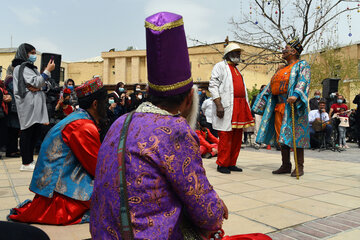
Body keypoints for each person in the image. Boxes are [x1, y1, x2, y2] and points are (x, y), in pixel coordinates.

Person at [90, 12, 228, 239]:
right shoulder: (176, 129)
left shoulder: (119, 122)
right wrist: (216, 209)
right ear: (188, 100)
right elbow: (207, 213)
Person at [8, 77, 106, 225]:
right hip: (59, 197)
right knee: (116, 194)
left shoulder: (78, 118)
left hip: (53, 188)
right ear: (95, 104)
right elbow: (99, 168)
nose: (107, 106)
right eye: (105, 102)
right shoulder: (83, 126)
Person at [252, 38, 311, 177]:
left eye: (286, 48)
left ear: (294, 51)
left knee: (296, 136)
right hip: (278, 105)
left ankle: (299, 167)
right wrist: (260, 102)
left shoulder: (302, 65)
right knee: (282, 137)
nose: (283, 51)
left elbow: (304, 80)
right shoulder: (282, 68)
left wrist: (296, 95)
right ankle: (285, 165)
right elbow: (271, 86)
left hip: (293, 105)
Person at [209, 42, 254, 174]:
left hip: (240, 106)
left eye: (239, 53)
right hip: (227, 106)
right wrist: (218, 105)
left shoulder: (237, 69)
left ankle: (231, 163)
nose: (238, 55)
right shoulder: (220, 67)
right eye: (236, 53)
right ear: (228, 54)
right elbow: (213, 85)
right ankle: (222, 164)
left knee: (237, 136)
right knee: (225, 136)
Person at [12, 43, 55, 171]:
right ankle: (25, 163)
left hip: (36, 105)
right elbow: (37, 82)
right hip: (27, 105)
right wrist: (47, 71)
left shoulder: (32, 68)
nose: (33, 55)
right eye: (31, 52)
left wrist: (41, 85)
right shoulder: (21, 67)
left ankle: (30, 160)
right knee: (27, 132)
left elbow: (45, 84)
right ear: (24, 53)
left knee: (35, 132)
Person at [4, 66, 21, 158]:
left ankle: (13, 150)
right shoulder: (10, 80)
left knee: (14, 131)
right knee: (12, 131)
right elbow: (16, 90)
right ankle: (11, 151)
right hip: (13, 109)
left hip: (14, 108)